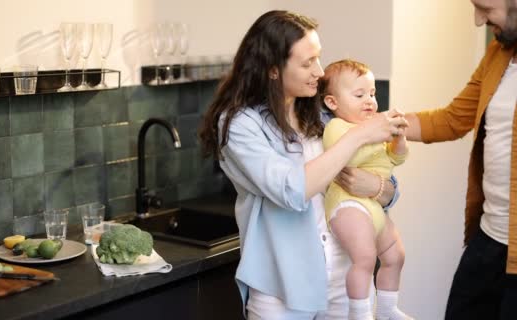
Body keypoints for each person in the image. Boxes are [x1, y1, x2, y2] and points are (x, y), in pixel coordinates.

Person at [198, 10, 407, 319]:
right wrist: (360, 135)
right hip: (282, 289)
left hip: (344, 280)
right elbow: (292, 190)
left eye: (318, 58)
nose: (320, 72)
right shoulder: (241, 124)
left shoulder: (322, 112)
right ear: (272, 69)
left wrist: (379, 189)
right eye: (307, 63)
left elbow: (383, 183)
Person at [403, 0, 517, 319]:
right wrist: (377, 124)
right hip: (489, 238)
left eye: (485, 7)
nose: (478, 20)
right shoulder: (498, 54)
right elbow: (453, 119)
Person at [319, 59, 412, 320]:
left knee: (395, 255)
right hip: (348, 204)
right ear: (332, 103)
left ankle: (386, 309)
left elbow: (395, 160)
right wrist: (372, 133)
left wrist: (398, 140)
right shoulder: (337, 127)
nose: (370, 100)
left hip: (374, 206)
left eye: (371, 93)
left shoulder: (374, 128)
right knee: (365, 258)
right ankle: (359, 313)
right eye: (359, 95)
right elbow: (347, 161)